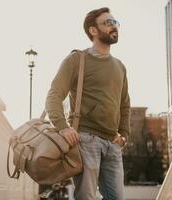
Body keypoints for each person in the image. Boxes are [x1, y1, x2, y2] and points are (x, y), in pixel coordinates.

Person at [45, 7, 130, 200]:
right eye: (108, 23)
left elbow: (124, 104)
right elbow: (54, 95)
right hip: (85, 140)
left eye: (115, 22)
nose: (114, 26)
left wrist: (124, 135)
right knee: (86, 197)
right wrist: (62, 127)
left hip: (113, 143)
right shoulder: (77, 59)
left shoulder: (120, 66)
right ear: (93, 30)